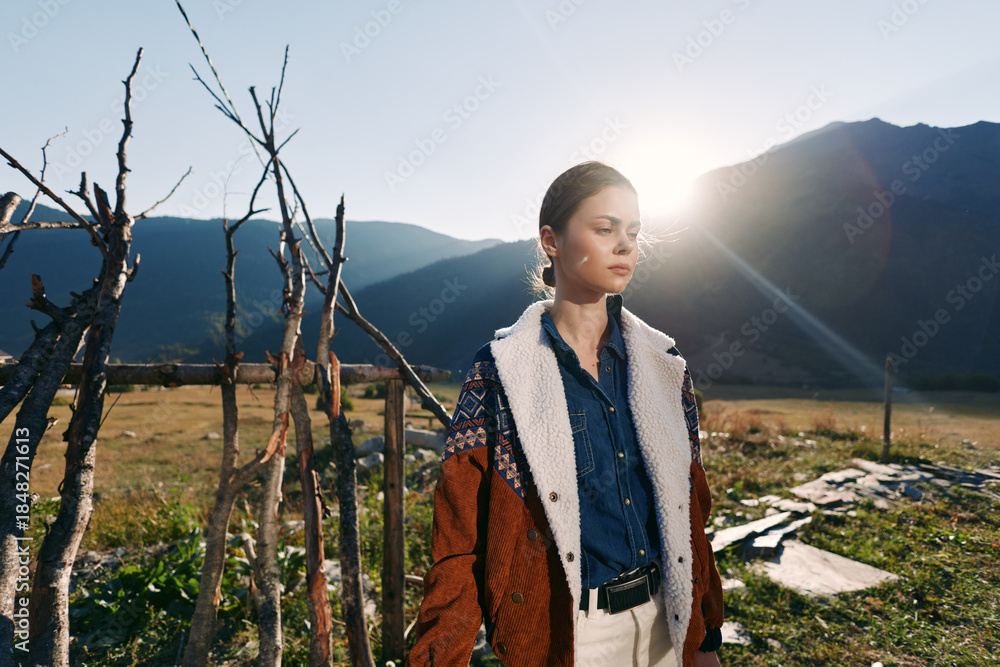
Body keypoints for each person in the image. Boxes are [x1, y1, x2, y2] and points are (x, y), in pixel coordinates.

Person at [407, 161, 724, 667]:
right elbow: (459, 540)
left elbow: (691, 506)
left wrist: (706, 632)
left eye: (633, 232)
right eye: (604, 229)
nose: (625, 246)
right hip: (571, 636)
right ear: (551, 240)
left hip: (669, 622)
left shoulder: (664, 365)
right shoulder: (500, 373)